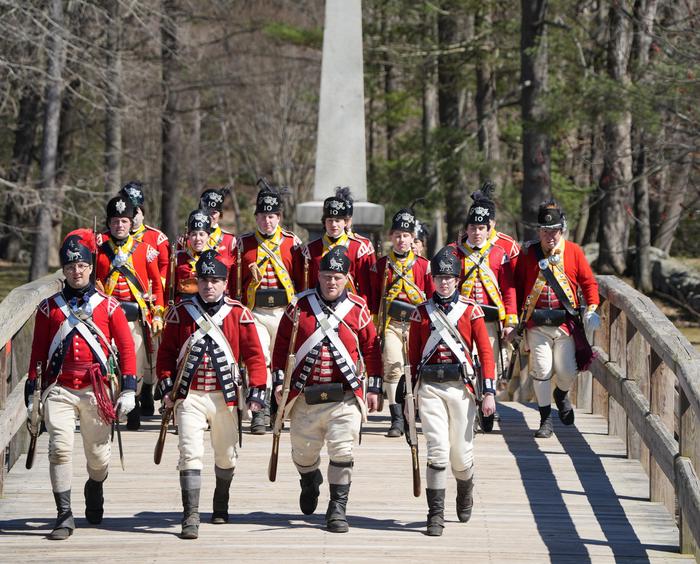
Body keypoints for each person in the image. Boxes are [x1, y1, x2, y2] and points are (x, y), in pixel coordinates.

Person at [26, 229, 137, 540]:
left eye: (83, 266)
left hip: (96, 390)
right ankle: (63, 513)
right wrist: (33, 387)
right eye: (71, 266)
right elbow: (38, 350)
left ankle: (95, 485)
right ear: (64, 270)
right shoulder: (49, 308)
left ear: (91, 268)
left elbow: (127, 348)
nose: (77, 271)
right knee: (59, 448)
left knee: (98, 457)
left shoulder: (109, 306)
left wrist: (128, 388)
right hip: (59, 387)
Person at [157, 250, 268, 539]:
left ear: (225, 283)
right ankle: (190, 515)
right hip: (190, 395)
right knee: (189, 453)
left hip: (225, 397)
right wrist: (167, 386)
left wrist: (257, 389)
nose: (209, 286)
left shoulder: (238, 313)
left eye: (215, 280)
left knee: (226, 456)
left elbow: (255, 356)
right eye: (204, 280)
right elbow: (167, 353)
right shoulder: (181, 312)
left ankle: (221, 501)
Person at [271, 246, 382, 533]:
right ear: (317, 276)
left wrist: (375, 388)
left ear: (346, 278)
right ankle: (309, 480)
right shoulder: (299, 306)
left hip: (344, 397)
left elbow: (370, 348)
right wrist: (278, 383)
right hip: (305, 395)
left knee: (342, 451)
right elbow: (282, 346)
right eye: (326, 276)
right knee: (303, 455)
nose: (332, 282)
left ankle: (337, 509)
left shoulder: (357, 310)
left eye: (337, 277)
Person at [407, 246, 496, 536]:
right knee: (437, 449)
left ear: (457, 280)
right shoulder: (421, 312)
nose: (443, 283)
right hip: (430, 387)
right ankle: (435, 515)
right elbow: (413, 356)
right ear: (431, 280)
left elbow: (484, 352)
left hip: (461, 388)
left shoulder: (471, 311)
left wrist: (489, 392)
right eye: (438, 278)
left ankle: (465, 487)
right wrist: (408, 396)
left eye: (449, 278)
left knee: (461, 453)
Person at [511, 200, 600, 438]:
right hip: (536, 324)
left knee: (567, 371)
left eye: (554, 231)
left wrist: (591, 307)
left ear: (562, 230)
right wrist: (512, 319)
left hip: (564, 323)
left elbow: (588, 282)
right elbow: (516, 286)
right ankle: (545, 419)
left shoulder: (573, 251)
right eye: (545, 230)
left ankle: (561, 394)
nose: (549, 235)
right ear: (539, 231)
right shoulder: (529, 253)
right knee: (541, 369)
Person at [228, 180, 304, 435]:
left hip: (284, 311)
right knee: (259, 358)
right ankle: (258, 410)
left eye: (272, 217)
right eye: (262, 216)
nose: (267, 222)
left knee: (281, 361)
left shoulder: (292, 242)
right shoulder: (243, 244)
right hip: (256, 312)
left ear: (279, 217)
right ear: (256, 218)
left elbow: (300, 279)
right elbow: (233, 281)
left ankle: (276, 408)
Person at [95, 195, 165, 430]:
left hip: (136, 317)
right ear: (109, 223)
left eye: (124, 221)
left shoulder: (145, 250)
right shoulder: (99, 251)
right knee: (106, 360)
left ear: (131, 222)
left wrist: (157, 314)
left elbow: (157, 284)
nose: (120, 226)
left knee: (135, 359)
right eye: (115, 221)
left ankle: (133, 403)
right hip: (107, 317)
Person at [368, 207, 434, 437]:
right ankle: (396, 419)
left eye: (405, 236)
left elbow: (432, 298)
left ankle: (416, 414)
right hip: (392, 325)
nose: (401, 240)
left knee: (419, 370)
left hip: (417, 326)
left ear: (412, 238)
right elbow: (374, 299)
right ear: (390, 237)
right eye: (397, 235)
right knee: (394, 368)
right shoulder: (380, 266)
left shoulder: (424, 266)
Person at [452, 193, 518, 383]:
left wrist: (510, 322)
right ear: (467, 228)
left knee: (489, 361)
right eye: (473, 227)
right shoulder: (455, 252)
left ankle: (488, 406)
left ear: (489, 230)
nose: (477, 232)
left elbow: (508, 290)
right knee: (465, 362)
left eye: (481, 228)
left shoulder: (499, 253)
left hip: (489, 319)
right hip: (462, 317)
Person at [119, 180, 170, 415]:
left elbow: (164, 272)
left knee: (151, 352)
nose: (134, 216)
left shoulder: (156, 239)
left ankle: (148, 389)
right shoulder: (109, 239)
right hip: (121, 305)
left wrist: (155, 295)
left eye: (136, 211)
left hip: (148, 305)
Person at [302, 192, 374, 304]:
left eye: (338, 220)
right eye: (330, 220)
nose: (334, 225)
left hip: (349, 306)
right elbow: (309, 284)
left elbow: (365, 288)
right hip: (318, 305)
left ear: (345, 222)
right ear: (324, 222)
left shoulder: (358, 248)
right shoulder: (311, 249)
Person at [119, 180, 170, 288]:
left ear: (143, 214)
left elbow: (165, 267)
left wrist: (156, 287)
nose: (132, 215)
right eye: (128, 212)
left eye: (135, 212)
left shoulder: (158, 238)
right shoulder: (107, 238)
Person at [167, 210, 215, 301]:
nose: (197, 239)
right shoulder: (177, 257)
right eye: (193, 234)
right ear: (188, 236)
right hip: (183, 306)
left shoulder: (216, 257)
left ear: (208, 236)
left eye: (201, 234)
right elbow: (169, 288)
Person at [199, 187, 236, 268]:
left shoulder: (229, 240)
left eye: (214, 212)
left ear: (220, 215)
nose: (209, 216)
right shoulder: (187, 239)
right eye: (206, 211)